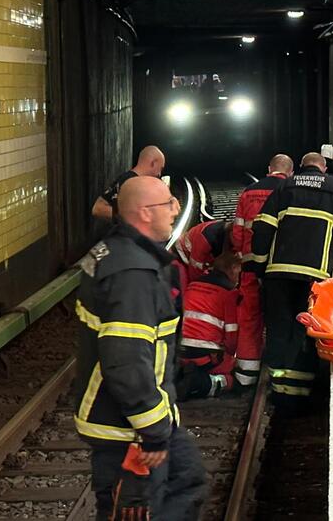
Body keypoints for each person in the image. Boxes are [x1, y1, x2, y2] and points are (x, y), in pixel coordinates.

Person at [73, 175, 206, 519]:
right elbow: (126, 361)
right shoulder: (133, 274)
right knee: (138, 508)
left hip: (150, 416)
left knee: (186, 478)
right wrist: (152, 432)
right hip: (129, 428)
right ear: (145, 213)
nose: (176, 210)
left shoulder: (116, 250)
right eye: (168, 203)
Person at [250, 153, 333, 409]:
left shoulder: (285, 186)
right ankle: (300, 395)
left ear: (299, 169)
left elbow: (263, 227)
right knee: (306, 331)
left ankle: (280, 391)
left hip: (279, 274)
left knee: (280, 328)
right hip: (315, 277)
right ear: (324, 169)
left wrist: (259, 266)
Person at [230, 154, 293, 387]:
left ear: (269, 169)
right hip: (279, 268)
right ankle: (280, 374)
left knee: (249, 317)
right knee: (280, 316)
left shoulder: (248, 192)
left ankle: (246, 373)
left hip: (249, 266)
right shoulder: (290, 190)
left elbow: (237, 233)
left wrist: (242, 254)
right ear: (291, 172)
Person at [177, 253, 243, 400]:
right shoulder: (229, 293)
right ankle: (203, 383)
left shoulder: (192, 285)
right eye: (239, 272)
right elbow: (232, 338)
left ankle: (184, 375)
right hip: (207, 356)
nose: (239, 278)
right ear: (232, 269)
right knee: (231, 378)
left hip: (181, 351)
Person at [92, 145, 167, 221]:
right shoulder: (129, 181)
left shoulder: (138, 184)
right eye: (160, 168)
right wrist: (130, 216)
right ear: (153, 163)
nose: (159, 174)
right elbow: (98, 208)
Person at [173, 219, 233, 286]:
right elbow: (195, 270)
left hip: (201, 263)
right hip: (181, 257)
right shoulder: (207, 236)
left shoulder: (228, 237)